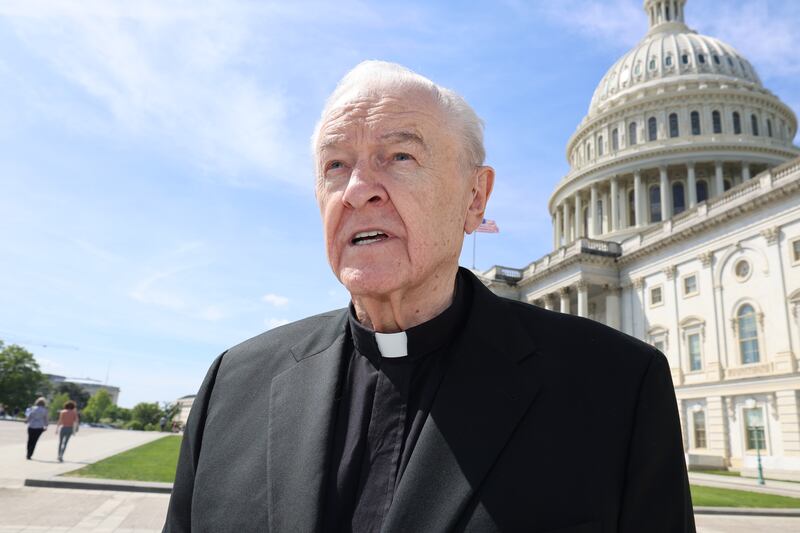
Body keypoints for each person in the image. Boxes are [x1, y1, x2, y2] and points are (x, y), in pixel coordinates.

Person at [164, 61, 695, 532]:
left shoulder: (616, 389)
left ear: (474, 198)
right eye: (335, 166)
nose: (357, 189)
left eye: (398, 156)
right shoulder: (232, 386)